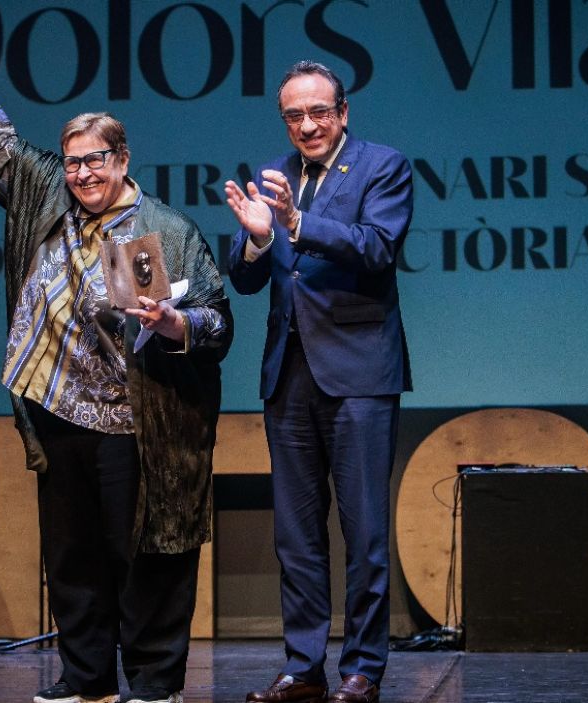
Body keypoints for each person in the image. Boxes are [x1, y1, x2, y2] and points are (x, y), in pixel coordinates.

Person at [0, 20, 231, 703]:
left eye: (95, 160)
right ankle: (87, 677)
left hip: (133, 420)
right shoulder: (47, 198)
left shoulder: (156, 230)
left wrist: (171, 321)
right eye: (73, 161)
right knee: (72, 555)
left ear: (123, 159)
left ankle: (154, 682)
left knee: (143, 555)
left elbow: (217, 322)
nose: (82, 174)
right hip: (56, 409)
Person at [224, 60, 414, 703]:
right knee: (296, 536)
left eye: (319, 112)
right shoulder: (273, 176)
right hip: (289, 374)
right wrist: (254, 241)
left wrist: (298, 226)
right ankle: (303, 667)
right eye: (295, 115)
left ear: (343, 112)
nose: (308, 125)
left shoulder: (382, 166)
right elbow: (249, 278)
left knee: (363, 533)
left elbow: (377, 246)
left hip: (358, 372)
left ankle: (362, 670)